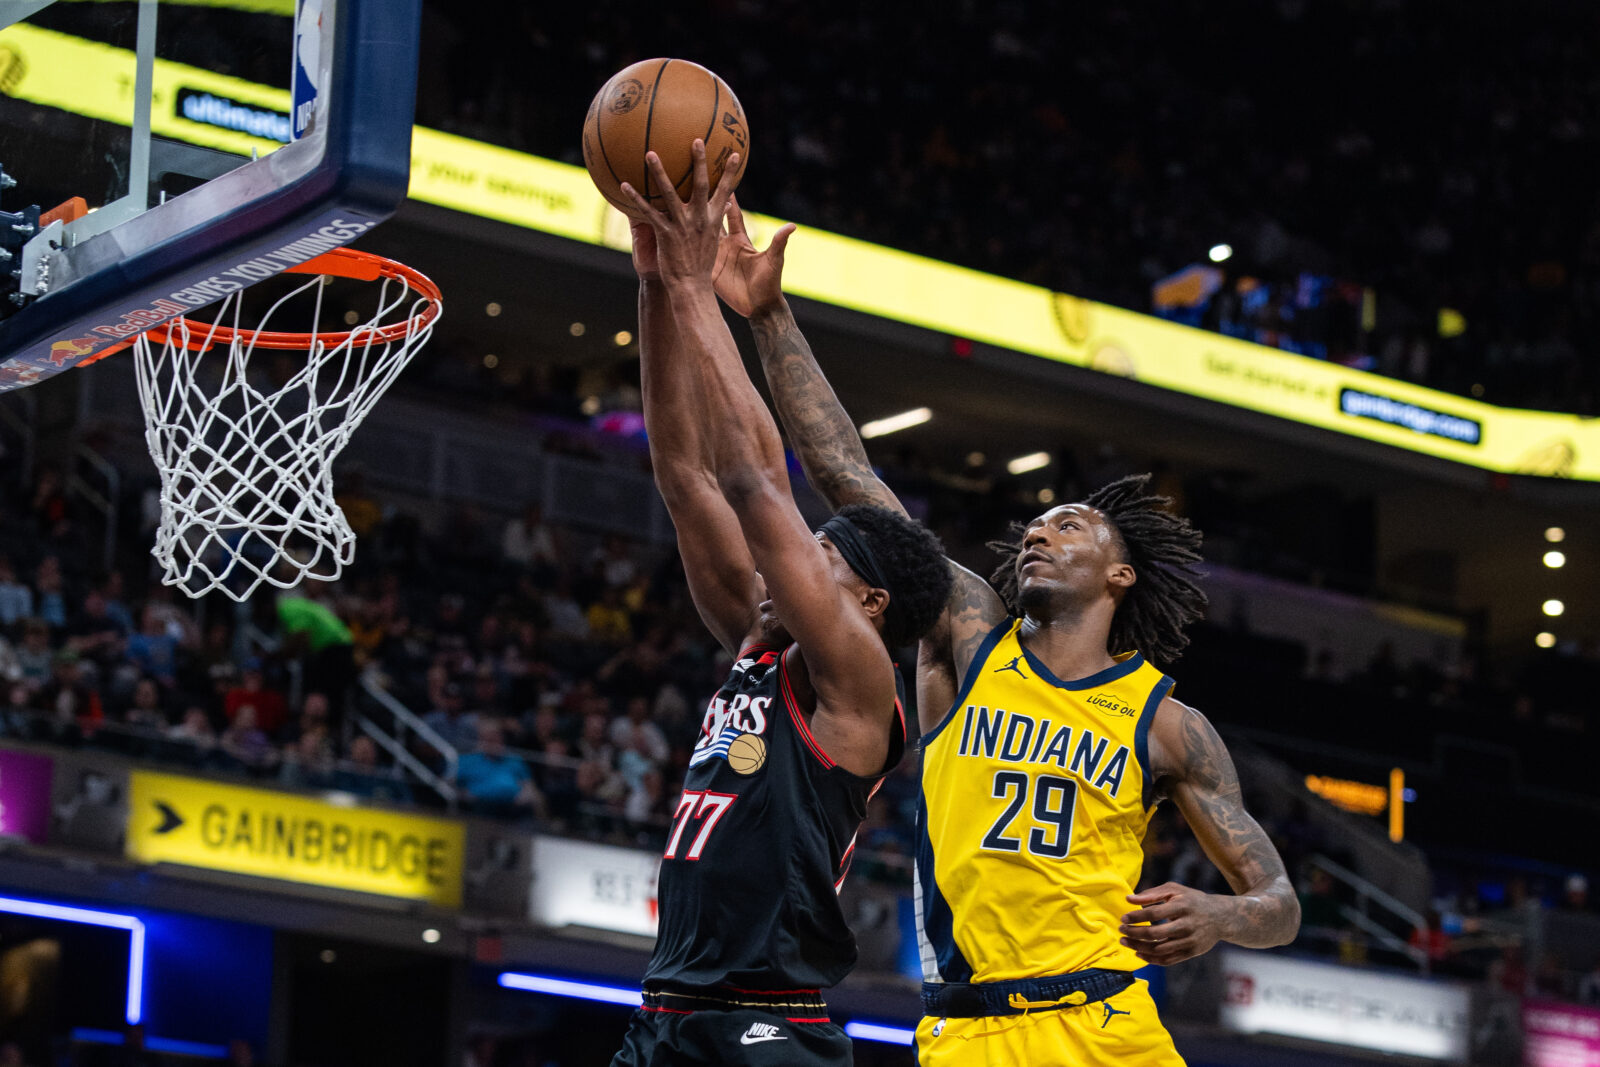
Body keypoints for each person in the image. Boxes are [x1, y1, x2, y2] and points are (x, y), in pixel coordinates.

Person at [714, 195, 1299, 1065]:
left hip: (1108, 1028)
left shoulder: (1168, 723)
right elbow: (846, 473)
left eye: (1069, 526)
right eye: (1035, 525)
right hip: (968, 1028)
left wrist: (1222, 916)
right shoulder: (966, 636)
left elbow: (1279, 900)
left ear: (1119, 574)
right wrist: (769, 317)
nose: (1038, 532)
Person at [608, 143, 953, 1067]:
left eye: (817, 556)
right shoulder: (757, 642)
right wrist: (653, 287)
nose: (781, 570)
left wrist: (693, 287)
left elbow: (757, 480)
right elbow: (685, 476)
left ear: (870, 603)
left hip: (769, 1026)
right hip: (667, 1015)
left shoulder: (855, 676)